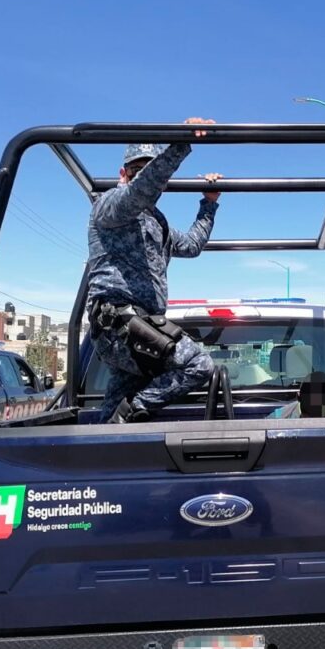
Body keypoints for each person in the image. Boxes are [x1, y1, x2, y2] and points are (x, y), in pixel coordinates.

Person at [87, 117, 221, 424]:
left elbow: (190, 246)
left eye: (151, 169)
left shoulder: (157, 222)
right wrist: (181, 144)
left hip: (140, 328)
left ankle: (105, 447)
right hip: (119, 324)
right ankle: (129, 414)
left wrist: (208, 204)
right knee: (198, 364)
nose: (145, 177)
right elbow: (140, 192)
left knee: (117, 402)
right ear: (123, 175)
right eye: (137, 171)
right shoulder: (109, 206)